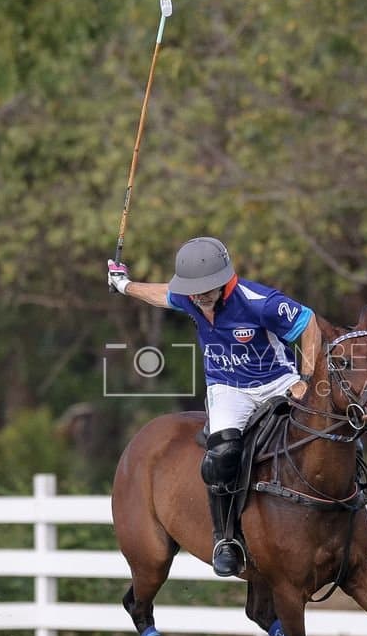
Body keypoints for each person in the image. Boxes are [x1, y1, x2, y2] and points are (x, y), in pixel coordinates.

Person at [108, 237, 321, 577]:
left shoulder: (260, 302)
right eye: (194, 291)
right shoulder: (189, 297)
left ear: (225, 281)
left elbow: (308, 324)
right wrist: (124, 284)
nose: (200, 298)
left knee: (325, 428)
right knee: (221, 456)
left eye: (207, 290)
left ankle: (353, 515)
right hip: (228, 389)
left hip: (277, 380)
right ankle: (226, 541)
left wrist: (306, 378)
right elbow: (161, 294)